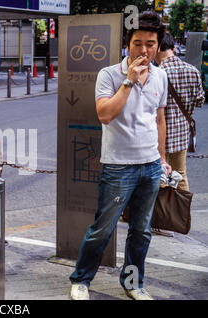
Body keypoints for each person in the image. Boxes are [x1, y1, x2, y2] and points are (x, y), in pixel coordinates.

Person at [69, 12, 171, 300]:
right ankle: (80, 280)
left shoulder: (161, 76)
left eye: (150, 44)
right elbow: (105, 114)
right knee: (102, 229)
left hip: (150, 166)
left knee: (141, 232)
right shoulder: (109, 74)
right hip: (118, 167)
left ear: (157, 44)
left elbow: (158, 119)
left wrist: (162, 158)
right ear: (128, 44)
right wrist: (128, 81)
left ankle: (132, 284)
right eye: (137, 43)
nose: (143, 50)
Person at [153, 33, 205, 236]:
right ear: (173, 47)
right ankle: (181, 216)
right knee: (181, 174)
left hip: (159, 136)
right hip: (182, 134)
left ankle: (161, 219)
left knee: (159, 175)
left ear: (158, 49)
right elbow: (200, 100)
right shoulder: (192, 70)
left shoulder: (157, 73)